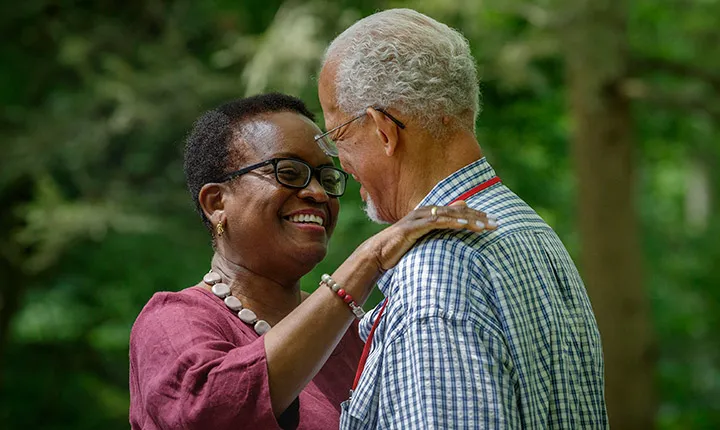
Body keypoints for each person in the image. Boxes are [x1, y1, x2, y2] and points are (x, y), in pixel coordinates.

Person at [128, 93, 494, 429]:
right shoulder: (173, 321)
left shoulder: (354, 334)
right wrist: (369, 259)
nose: (318, 193)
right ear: (216, 203)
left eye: (327, 176)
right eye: (288, 172)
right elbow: (212, 412)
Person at [317, 8, 609, 429]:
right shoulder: (529, 229)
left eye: (338, 136)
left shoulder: (437, 273)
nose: (340, 164)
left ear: (384, 131)